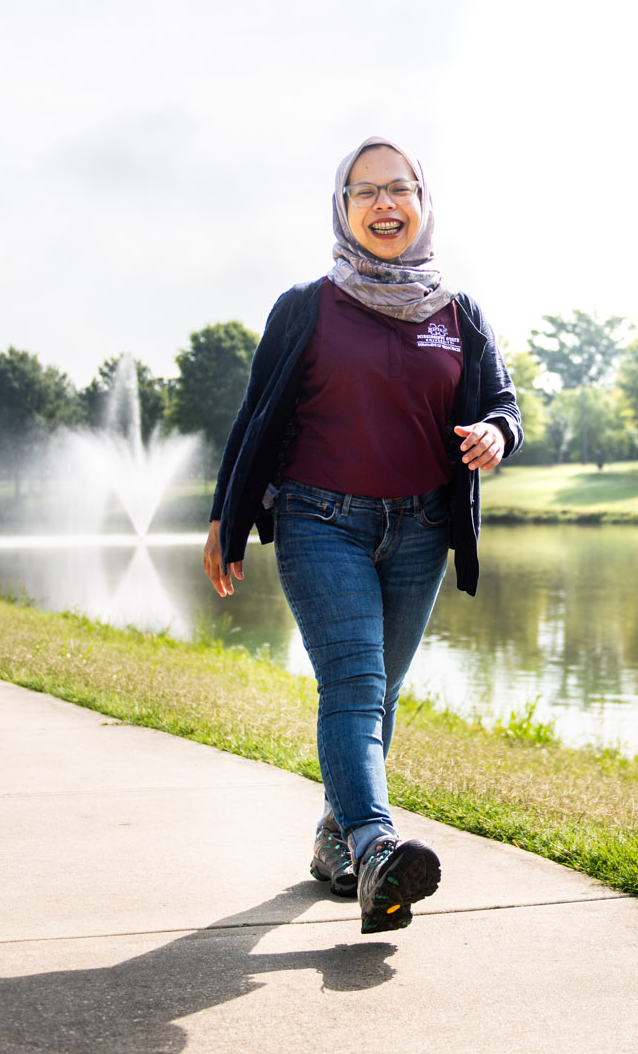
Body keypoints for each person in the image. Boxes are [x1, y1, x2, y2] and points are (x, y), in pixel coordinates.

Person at [202, 137, 521, 935]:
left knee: (378, 698)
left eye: (399, 188)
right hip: (319, 520)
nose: (384, 204)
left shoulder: (459, 311)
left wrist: (494, 435)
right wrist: (225, 518)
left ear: (423, 202)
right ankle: (378, 848)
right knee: (352, 685)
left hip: (421, 529)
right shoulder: (305, 307)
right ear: (341, 210)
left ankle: (333, 838)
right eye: (364, 191)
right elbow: (253, 420)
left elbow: (503, 406)